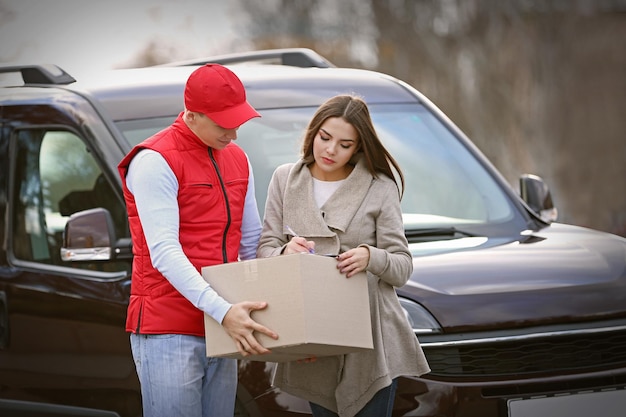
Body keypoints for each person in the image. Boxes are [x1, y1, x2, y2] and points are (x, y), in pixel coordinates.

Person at [118, 64, 278, 417]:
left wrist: (282, 281)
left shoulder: (238, 158)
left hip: (223, 325)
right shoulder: (154, 161)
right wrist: (223, 312)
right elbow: (164, 253)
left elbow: (251, 241)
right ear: (191, 115)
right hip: (169, 329)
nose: (234, 133)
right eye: (224, 124)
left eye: (238, 121)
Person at [257, 94, 430, 417]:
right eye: (325, 138)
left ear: (359, 148)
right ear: (313, 133)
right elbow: (265, 250)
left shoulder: (380, 186)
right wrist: (284, 251)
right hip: (314, 334)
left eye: (344, 144)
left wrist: (369, 257)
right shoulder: (285, 179)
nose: (330, 150)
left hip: (371, 338)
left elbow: (402, 267)